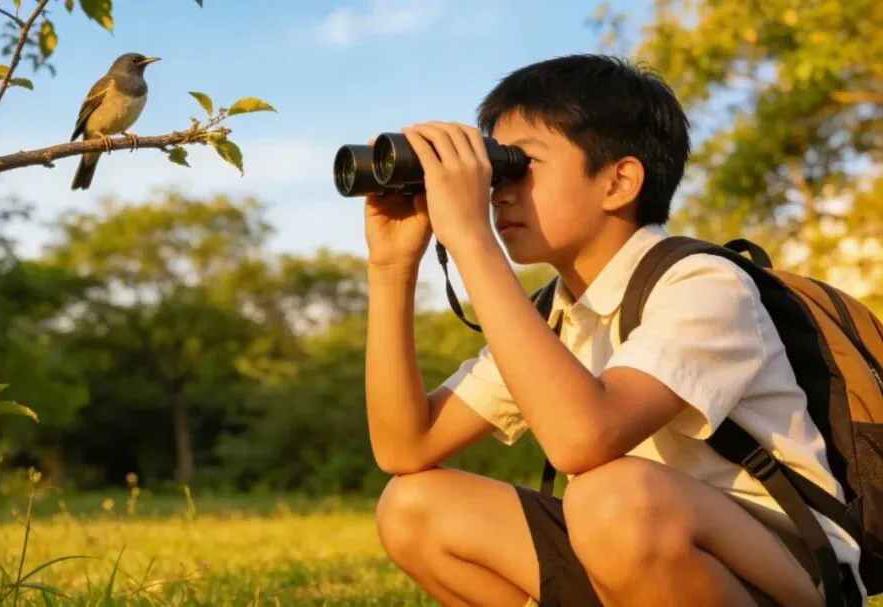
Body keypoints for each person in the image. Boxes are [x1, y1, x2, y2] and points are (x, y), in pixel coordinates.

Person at [361, 54, 865, 606]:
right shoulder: (554, 315)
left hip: (785, 572)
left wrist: (473, 241)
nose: (498, 191)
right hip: (635, 548)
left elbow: (584, 439)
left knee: (611, 496)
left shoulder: (703, 284)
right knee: (414, 507)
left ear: (619, 181)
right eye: (494, 169)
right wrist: (391, 269)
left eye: (519, 165)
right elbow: (405, 447)